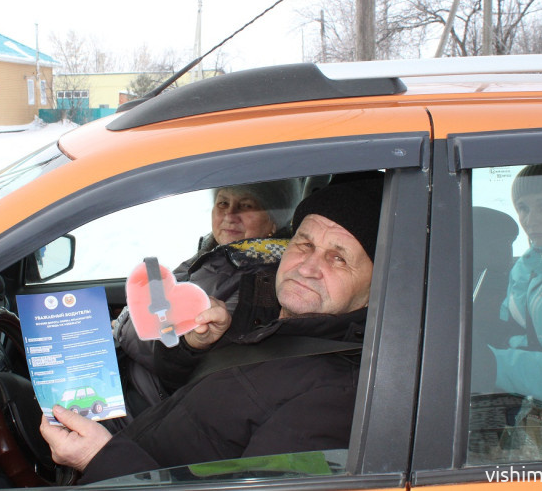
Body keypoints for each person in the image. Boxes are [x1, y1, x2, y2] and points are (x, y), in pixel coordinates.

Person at [40, 175, 384, 484]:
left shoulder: (334, 398)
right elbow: (187, 392)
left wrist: (100, 460)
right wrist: (193, 346)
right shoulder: (264, 310)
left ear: (375, 286)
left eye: (337, 258)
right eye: (304, 244)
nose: (308, 267)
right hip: (130, 443)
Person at [112, 180, 300, 411]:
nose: (230, 214)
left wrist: (123, 325)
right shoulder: (216, 255)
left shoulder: (260, 282)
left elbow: (167, 348)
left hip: (151, 407)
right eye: (223, 202)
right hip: (131, 382)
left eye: (247, 205)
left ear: (274, 220)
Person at [475, 162, 542, 405]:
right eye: (523, 208)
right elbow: (515, 329)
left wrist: (486, 361)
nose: (530, 220)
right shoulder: (530, 265)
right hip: (533, 397)